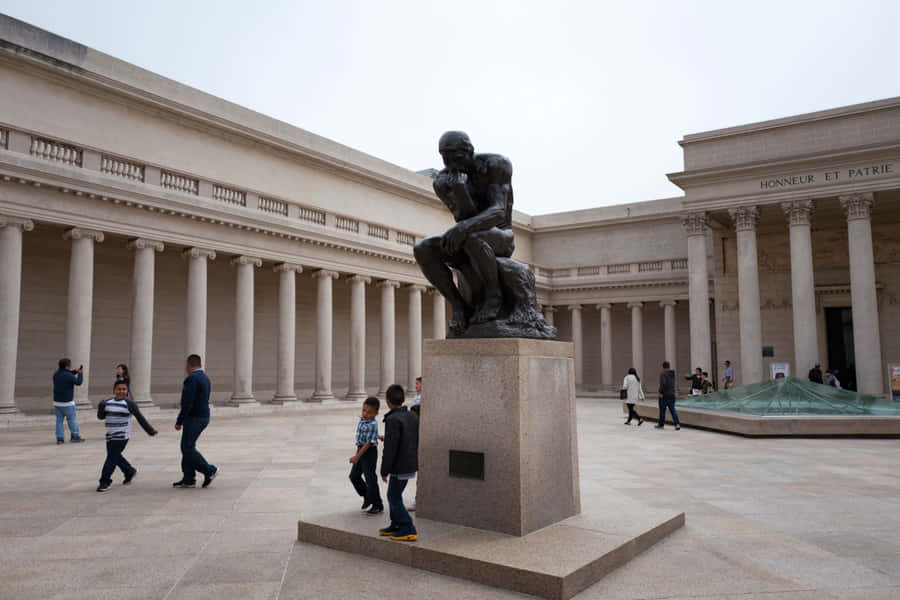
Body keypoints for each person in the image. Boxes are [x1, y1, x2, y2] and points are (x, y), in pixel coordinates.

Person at [413, 131, 515, 332]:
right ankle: (459, 306)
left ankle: (494, 296)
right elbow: (464, 218)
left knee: (471, 234)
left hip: (502, 236)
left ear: (470, 151)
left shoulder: (496, 165)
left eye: (456, 157)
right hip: (470, 235)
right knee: (423, 248)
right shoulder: (442, 181)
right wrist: (460, 190)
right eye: (445, 157)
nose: (451, 163)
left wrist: (463, 227)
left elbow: (498, 212)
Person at [96, 380, 157, 492]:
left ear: (127, 391)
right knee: (115, 456)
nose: (121, 391)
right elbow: (101, 417)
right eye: (119, 389)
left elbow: (140, 418)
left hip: (122, 436)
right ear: (114, 390)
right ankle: (129, 471)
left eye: (124, 389)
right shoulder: (108, 402)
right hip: (110, 435)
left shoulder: (129, 403)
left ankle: (105, 481)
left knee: (111, 458)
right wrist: (101, 407)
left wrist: (150, 430)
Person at [379, 384, 419, 542]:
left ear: (387, 401)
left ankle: (408, 527)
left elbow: (390, 448)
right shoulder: (410, 416)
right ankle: (396, 524)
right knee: (394, 495)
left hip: (399, 465)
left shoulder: (393, 419)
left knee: (393, 496)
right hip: (408, 463)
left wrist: (384, 470)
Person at [173, 354, 218, 488]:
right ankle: (188, 478)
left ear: (188, 364)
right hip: (202, 415)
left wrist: (179, 421)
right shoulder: (205, 378)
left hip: (195, 417)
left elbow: (187, 403)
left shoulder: (192, 379)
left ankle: (209, 470)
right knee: (188, 446)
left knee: (187, 447)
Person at [349, 397, 383, 515]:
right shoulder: (362, 420)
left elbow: (368, 443)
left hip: (369, 452)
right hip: (361, 449)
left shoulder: (373, 424)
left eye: (369, 412)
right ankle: (367, 496)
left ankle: (378, 504)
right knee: (354, 476)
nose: (365, 414)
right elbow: (367, 434)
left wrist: (357, 457)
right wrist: (378, 436)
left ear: (376, 413)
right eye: (364, 410)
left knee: (370, 478)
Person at [52, 358, 85, 444]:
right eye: (70, 365)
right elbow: (78, 382)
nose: (71, 367)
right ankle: (75, 436)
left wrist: (75, 371)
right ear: (67, 366)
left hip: (57, 402)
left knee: (59, 421)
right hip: (67, 403)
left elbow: (66, 374)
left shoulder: (56, 374)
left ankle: (60, 438)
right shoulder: (69, 375)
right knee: (71, 420)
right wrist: (80, 374)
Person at [656, 361, 681, 431]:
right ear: (669, 366)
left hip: (664, 395)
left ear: (663, 367)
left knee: (662, 411)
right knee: (673, 410)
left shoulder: (663, 374)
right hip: (672, 394)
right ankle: (677, 424)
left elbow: (663, 384)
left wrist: (661, 392)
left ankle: (661, 425)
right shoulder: (672, 374)